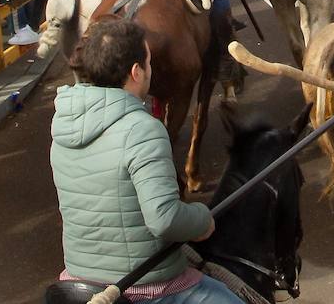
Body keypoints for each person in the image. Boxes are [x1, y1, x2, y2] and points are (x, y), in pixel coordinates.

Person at [49, 18, 235, 303]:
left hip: (78, 279)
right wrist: (202, 219)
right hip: (142, 285)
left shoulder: (63, 124)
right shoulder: (142, 129)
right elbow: (165, 220)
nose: (151, 71)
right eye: (148, 63)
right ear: (136, 72)